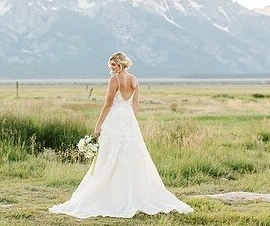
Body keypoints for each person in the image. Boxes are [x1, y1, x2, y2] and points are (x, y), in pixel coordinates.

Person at [48, 52, 194, 218]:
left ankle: (110, 195)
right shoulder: (134, 79)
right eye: (110, 64)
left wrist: (98, 125)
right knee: (127, 155)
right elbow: (135, 105)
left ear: (122, 64)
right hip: (129, 121)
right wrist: (131, 122)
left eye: (115, 64)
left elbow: (108, 104)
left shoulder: (114, 80)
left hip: (115, 120)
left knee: (111, 156)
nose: (112, 67)